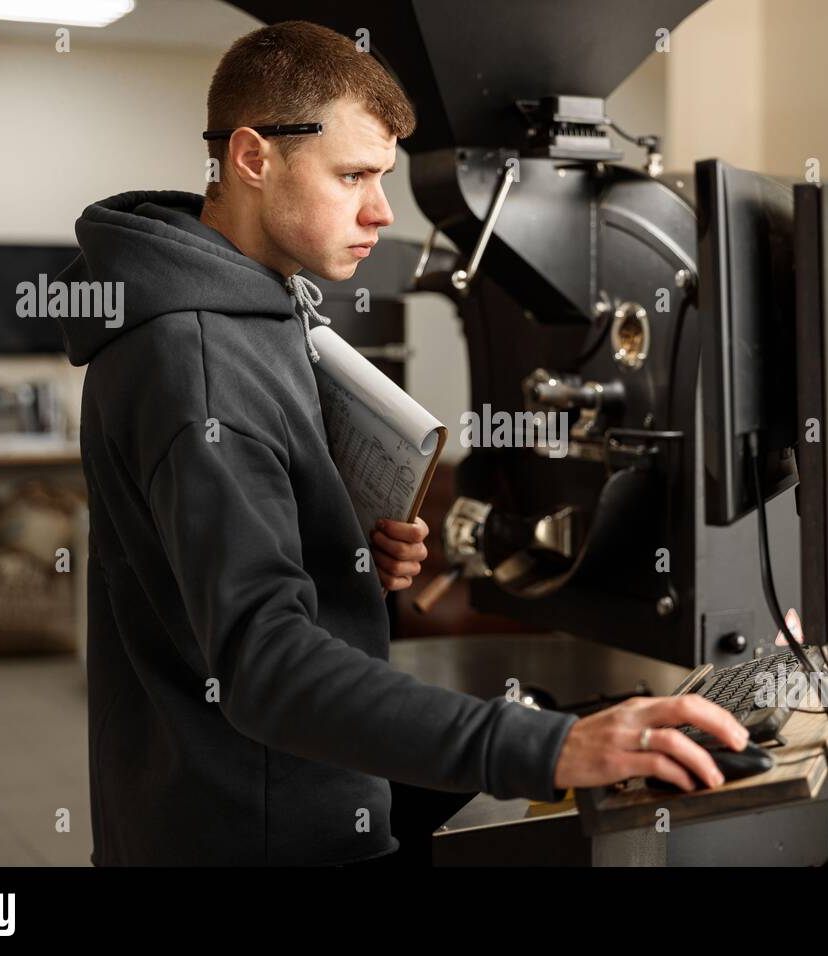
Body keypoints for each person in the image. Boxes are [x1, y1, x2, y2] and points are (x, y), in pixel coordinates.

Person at [56, 20, 751, 867]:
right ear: (252, 157)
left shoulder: (243, 306)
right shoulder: (201, 361)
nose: (382, 211)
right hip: (261, 832)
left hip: (220, 803)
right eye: (352, 176)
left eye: (382, 177)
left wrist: (336, 544)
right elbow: (265, 663)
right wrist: (547, 748)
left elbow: (205, 568)